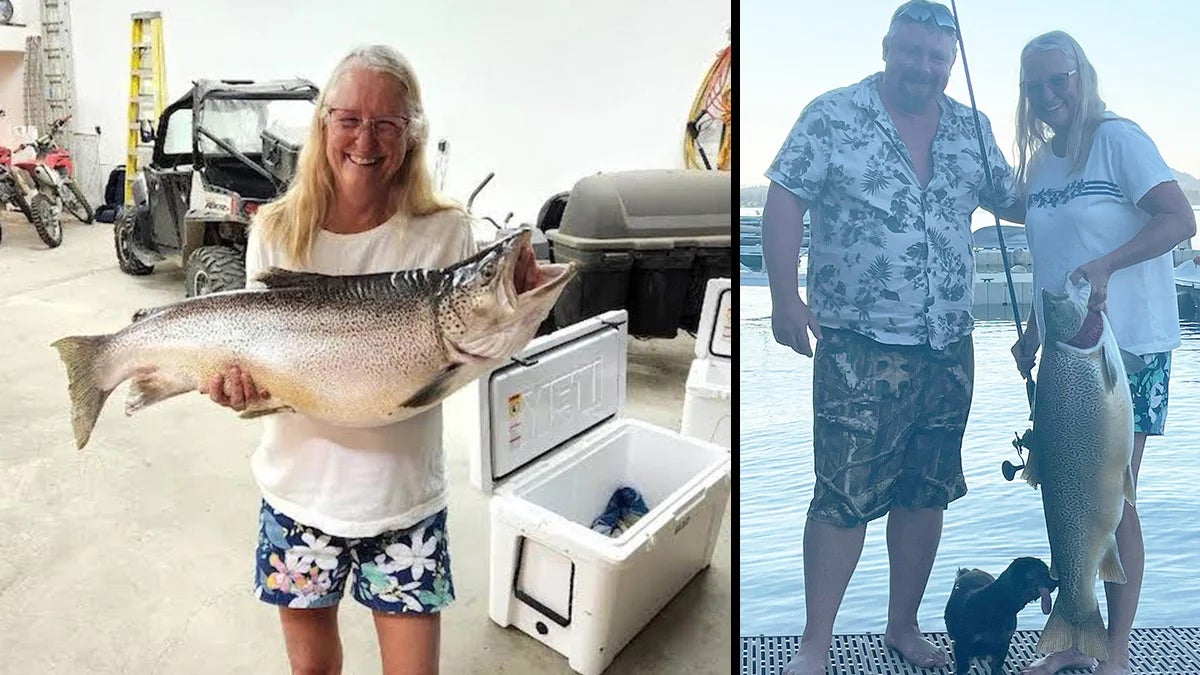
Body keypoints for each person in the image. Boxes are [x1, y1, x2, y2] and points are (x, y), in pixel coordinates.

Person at [199, 45, 478, 675]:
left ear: (412, 136)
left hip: (404, 501)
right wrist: (241, 387)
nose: (365, 139)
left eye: (387, 123)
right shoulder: (275, 229)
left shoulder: (447, 233)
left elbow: (463, 357)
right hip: (300, 495)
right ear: (323, 123)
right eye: (349, 118)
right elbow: (258, 359)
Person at [762, 2, 1020, 673]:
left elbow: (1018, 200)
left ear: (951, 61)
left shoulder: (971, 127)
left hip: (948, 345)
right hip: (859, 343)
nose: (925, 68)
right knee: (841, 496)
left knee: (925, 491)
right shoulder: (833, 114)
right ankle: (814, 644)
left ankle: (902, 627)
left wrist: (1088, 176)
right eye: (912, 53)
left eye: (938, 58)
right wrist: (785, 295)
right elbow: (785, 198)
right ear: (887, 49)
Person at [1006, 31, 1195, 675]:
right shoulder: (1041, 164)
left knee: (1117, 497)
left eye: (1060, 80)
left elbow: (1178, 220)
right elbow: (1053, 263)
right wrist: (1034, 327)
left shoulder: (1120, 140)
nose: (1049, 94)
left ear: (1082, 77)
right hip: (1064, 350)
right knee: (1063, 490)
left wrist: (1110, 266)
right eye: (1035, 86)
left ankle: (1113, 653)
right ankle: (1072, 634)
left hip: (1127, 350)